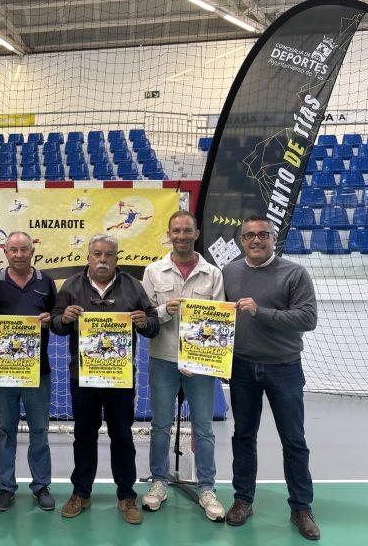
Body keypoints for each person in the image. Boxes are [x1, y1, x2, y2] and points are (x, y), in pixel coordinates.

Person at [222, 215, 319, 540]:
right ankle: (242, 500)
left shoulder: (295, 273)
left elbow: (307, 318)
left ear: (273, 238)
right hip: (242, 367)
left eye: (263, 234)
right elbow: (216, 316)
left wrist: (260, 311)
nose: (256, 240)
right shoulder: (230, 272)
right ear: (241, 240)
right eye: (249, 235)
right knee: (243, 436)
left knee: (294, 439)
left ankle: (301, 507)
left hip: (284, 367)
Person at [51, 234, 159, 525]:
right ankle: (81, 492)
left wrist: (144, 322)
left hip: (120, 378)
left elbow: (153, 325)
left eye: (108, 255)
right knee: (83, 436)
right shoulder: (72, 286)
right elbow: (55, 323)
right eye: (97, 254)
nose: (102, 259)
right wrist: (64, 319)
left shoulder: (133, 286)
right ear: (88, 257)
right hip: (82, 377)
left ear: (116, 258)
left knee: (122, 437)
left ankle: (126, 495)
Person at [140, 210, 226, 521]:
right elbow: (145, 316)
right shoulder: (153, 272)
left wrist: (198, 357)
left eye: (187, 230)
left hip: (200, 364)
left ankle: (207, 487)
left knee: (203, 429)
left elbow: (216, 323)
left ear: (196, 233)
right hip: (163, 359)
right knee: (160, 426)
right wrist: (164, 309)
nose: (181, 236)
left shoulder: (213, 274)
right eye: (176, 230)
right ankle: (159, 482)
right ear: (169, 234)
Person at [0, 231, 58, 512]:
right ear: (5, 252)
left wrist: (52, 319)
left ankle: (41, 486)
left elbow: (60, 320)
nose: (19, 255)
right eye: (14, 250)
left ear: (32, 250)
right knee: (6, 431)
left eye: (24, 249)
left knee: (40, 430)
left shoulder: (46, 282)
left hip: (39, 371)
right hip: (5, 371)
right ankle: (6, 487)